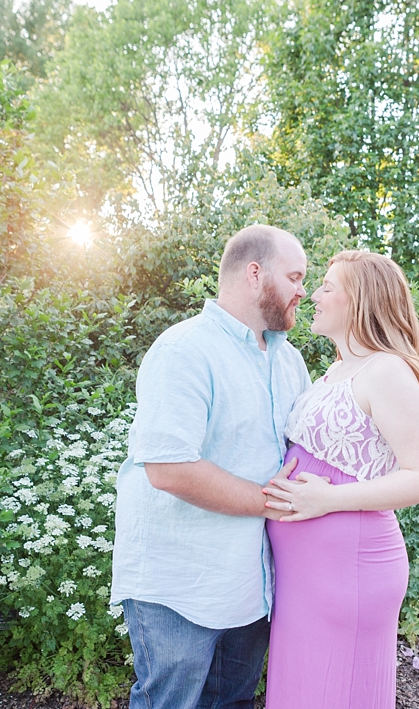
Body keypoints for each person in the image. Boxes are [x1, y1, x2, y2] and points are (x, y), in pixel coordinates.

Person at [110, 225, 311, 709]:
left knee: (235, 704)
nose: (304, 289)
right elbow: (169, 468)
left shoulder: (291, 362)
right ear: (255, 273)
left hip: (250, 584)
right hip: (181, 581)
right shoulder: (184, 349)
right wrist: (274, 502)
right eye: (296, 276)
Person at [261, 250, 419, 709]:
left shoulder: (386, 370)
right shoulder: (334, 371)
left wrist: (329, 499)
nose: (313, 295)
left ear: (360, 299)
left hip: (349, 568)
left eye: (327, 286)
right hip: (305, 573)